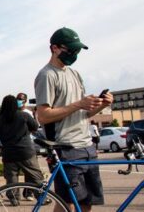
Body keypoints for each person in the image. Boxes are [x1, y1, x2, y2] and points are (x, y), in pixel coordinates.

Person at [34, 27, 113, 211]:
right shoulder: (47, 75)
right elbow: (43, 116)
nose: (74, 53)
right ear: (55, 48)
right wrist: (78, 104)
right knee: (67, 204)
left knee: (87, 203)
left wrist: (101, 105)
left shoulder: (75, 74)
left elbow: (83, 114)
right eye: (70, 49)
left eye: (77, 50)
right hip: (66, 146)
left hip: (87, 146)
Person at [0, 95, 45, 206]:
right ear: (15, 105)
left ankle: (14, 198)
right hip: (26, 151)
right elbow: (35, 127)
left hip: (9, 153)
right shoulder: (23, 116)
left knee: (11, 178)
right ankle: (41, 196)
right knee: (35, 176)